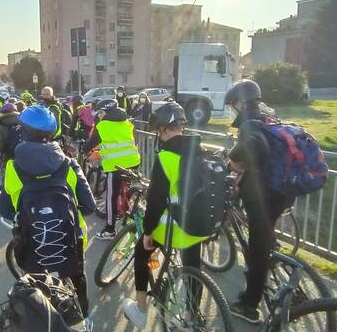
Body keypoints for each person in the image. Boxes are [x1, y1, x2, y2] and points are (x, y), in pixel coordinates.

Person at [0, 105, 96, 327]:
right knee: (77, 278)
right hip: (70, 240)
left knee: (38, 291)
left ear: (22, 131)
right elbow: (89, 206)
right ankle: (84, 319)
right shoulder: (69, 164)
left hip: (33, 245)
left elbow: (5, 211)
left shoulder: (12, 168)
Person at [121, 102, 207, 329]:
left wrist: (148, 232)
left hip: (175, 226)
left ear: (162, 129)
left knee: (141, 251)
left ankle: (140, 310)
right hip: (199, 225)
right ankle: (193, 313)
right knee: (193, 267)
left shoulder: (166, 157)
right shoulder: (200, 149)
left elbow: (156, 203)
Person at [224, 79, 295, 324]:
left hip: (263, 194)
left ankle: (249, 305)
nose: (233, 109)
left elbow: (255, 147)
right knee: (265, 236)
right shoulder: (268, 115)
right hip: (283, 189)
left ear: (241, 102)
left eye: (233, 104)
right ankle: (271, 254)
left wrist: (233, 157)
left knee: (257, 250)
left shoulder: (250, 121)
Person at [83, 98, 141, 239]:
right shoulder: (126, 122)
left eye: (100, 112)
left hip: (116, 166)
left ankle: (109, 230)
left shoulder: (103, 126)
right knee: (124, 188)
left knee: (111, 197)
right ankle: (126, 209)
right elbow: (119, 144)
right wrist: (102, 152)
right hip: (133, 161)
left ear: (105, 112)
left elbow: (90, 144)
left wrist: (85, 150)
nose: (98, 115)